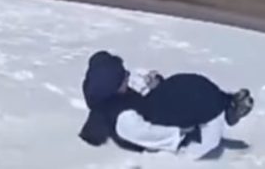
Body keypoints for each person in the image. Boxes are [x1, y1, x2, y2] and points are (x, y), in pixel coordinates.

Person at [78, 51, 253, 160]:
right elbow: (147, 134)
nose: (128, 76)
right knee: (201, 115)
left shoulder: (115, 96)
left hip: (153, 107)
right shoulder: (124, 120)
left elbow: (138, 100)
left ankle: (227, 101)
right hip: (163, 126)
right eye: (124, 76)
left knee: (186, 83)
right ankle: (227, 111)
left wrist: (154, 85)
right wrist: (178, 134)